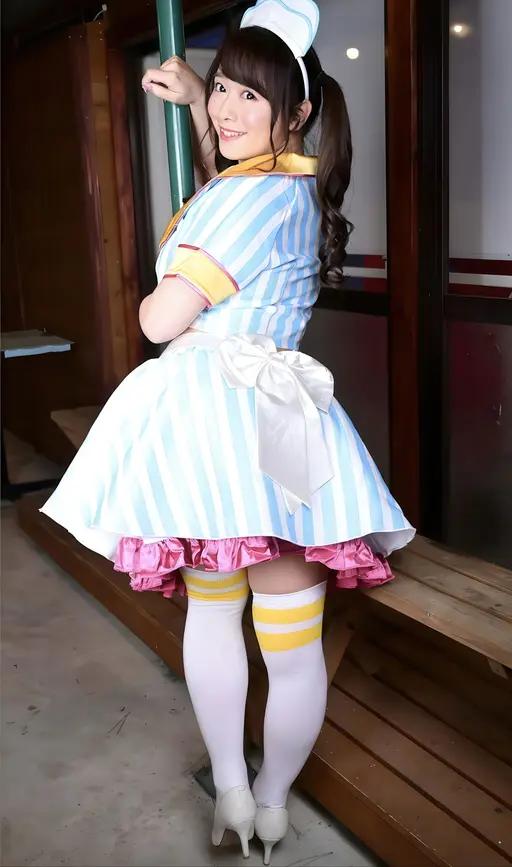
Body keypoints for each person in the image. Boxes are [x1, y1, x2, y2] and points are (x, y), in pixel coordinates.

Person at [41, 0, 416, 861]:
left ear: (299, 110)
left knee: (215, 615)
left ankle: (232, 791)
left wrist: (159, 291)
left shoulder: (245, 196)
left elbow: (160, 321)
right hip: (283, 423)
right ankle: (272, 803)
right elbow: (236, 178)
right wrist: (196, 109)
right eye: (223, 89)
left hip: (214, 424)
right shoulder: (298, 185)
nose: (226, 107)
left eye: (251, 95)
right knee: (292, 640)